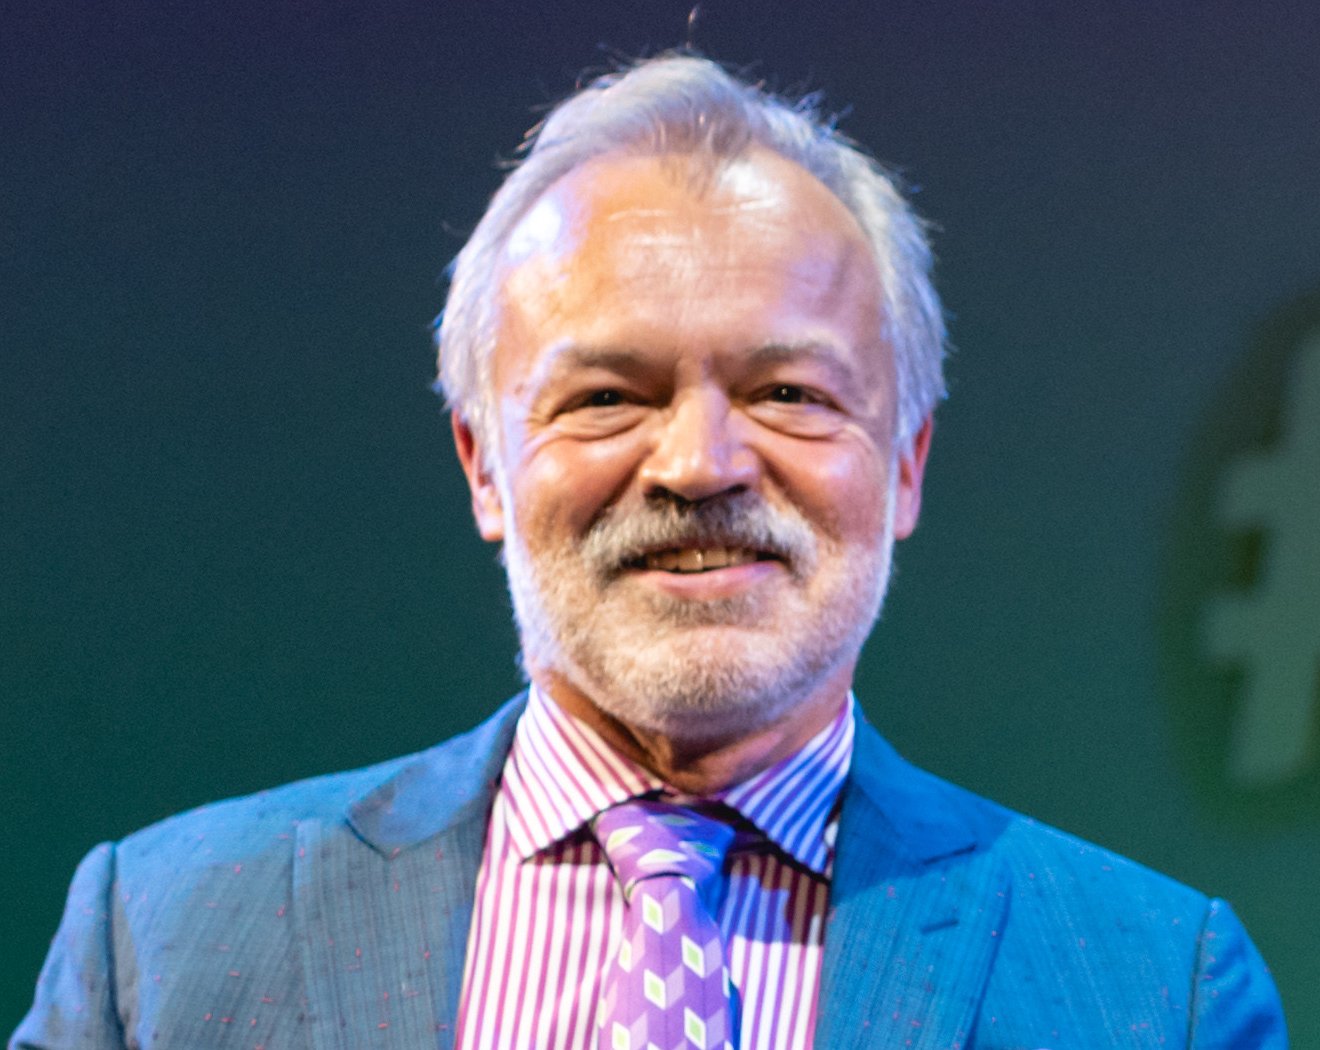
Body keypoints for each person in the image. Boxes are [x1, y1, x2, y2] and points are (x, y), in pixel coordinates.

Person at [12, 53, 1286, 1050]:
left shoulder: (1152, 991)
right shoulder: (165, 944)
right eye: (609, 396)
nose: (700, 464)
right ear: (483, 465)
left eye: (789, 393)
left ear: (904, 464)